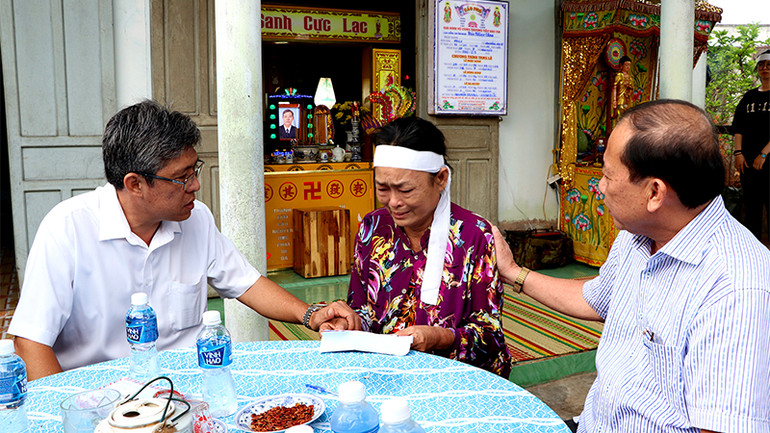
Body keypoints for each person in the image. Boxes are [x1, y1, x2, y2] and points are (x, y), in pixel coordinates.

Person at [8, 100, 358, 380]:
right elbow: (31, 341)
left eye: (195, 170)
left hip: (191, 393)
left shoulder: (196, 219)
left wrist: (311, 313)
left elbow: (247, 283)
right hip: (104, 400)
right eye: (181, 178)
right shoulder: (67, 229)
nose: (195, 186)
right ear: (135, 184)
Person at [493, 99, 770, 432]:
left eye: (608, 175)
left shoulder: (736, 287)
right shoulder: (638, 233)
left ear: (655, 192)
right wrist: (512, 272)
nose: (601, 187)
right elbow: (595, 297)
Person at [345, 117, 511, 377]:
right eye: (383, 189)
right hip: (384, 374)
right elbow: (361, 308)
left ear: (441, 178)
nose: (394, 202)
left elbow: (489, 337)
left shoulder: (474, 236)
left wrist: (441, 338)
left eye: (406, 190)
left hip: (454, 380)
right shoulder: (373, 227)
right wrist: (348, 321)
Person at [732, 50, 770, 241]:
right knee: (751, 209)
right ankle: (754, 252)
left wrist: (764, 155)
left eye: (769, 65)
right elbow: (738, 128)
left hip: (767, 162)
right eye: (762, 65)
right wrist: (738, 153)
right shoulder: (748, 98)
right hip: (748, 164)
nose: (765, 69)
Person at [611, 55, 634, 120]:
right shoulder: (619, 75)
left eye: (629, 65)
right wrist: (614, 100)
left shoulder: (630, 77)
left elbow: (632, 88)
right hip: (621, 99)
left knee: (627, 117)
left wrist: (630, 87)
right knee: (619, 117)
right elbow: (614, 87)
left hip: (628, 99)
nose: (628, 67)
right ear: (621, 65)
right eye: (626, 65)